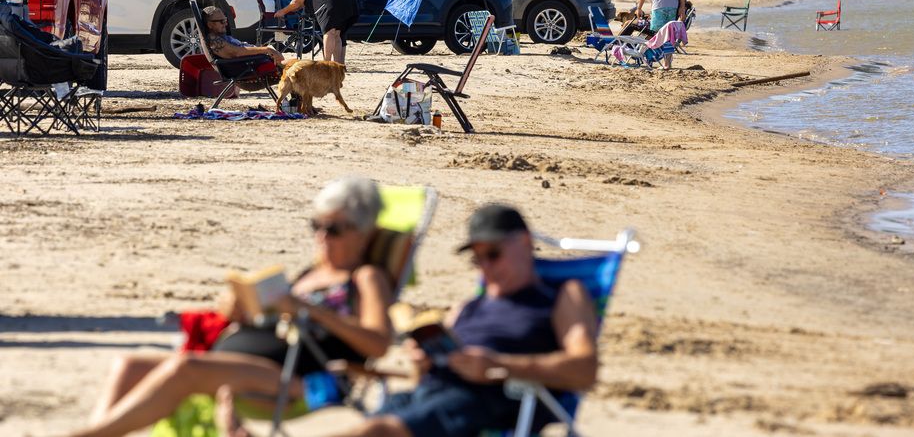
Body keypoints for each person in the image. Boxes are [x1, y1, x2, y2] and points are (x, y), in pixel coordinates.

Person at [68, 178, 394, 437]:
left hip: (302, 379)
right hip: (249, 363)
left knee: (186, 369)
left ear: (362, 233)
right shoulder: (312, 273)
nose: (322, 237)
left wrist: (304, 309)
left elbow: (379, 343)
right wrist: (244, 309)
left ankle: (85, 436)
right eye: (316, 226)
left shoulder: (365, 277)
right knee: (129, 365)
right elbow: (278, 319)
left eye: (333, 229)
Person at [331, 203, 599, 437]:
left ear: (526, 242)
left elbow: (585, 370)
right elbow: (420, 378)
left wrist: (498, 365)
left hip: (488, 401)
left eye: (493, 254)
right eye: (477, 259)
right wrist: (422, 363)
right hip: (431, 396)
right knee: (367, 428)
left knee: (375, 433)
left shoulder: (563, 296)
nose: (486, 267)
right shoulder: (468, 307)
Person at [274, 0, 358, 65]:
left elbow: (296, 2)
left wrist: (282, 12)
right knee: (337, 34)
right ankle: (337, 65)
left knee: (329, 32)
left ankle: (326, 64)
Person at [202, 6, 284, 65]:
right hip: (251, 65)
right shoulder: (214, 40)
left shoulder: (221, 37)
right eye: (222, 21)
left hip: (258, 59)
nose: (226, 24)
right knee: (294, 69)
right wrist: (266, 49)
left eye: (225, 20)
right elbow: (237, 52)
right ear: (210, 24)